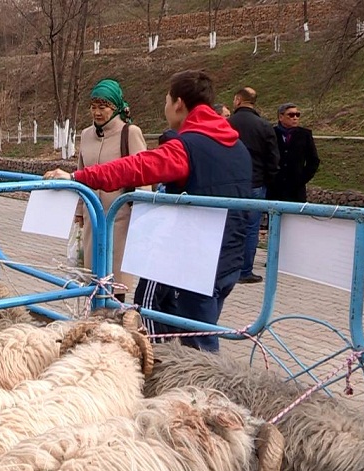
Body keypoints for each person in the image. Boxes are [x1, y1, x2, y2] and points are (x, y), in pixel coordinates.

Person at [43, 70, 251, 353]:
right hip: (228, 259)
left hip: (194, 260)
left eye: (166, 100)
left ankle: (184, 386)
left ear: (178, 103)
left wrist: (77, 178)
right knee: (197, 329)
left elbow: (137, 166)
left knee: (182, 332)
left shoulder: (187, 146)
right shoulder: (237, 146)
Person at [74, 79, 146, 303]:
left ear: (115, 108)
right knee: (93, 275)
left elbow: (143, 173)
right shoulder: (86, 135)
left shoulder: (130, 133)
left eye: (103, 107)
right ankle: (95, 316)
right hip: (92, 214)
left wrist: (142, 214)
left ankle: (114, 319)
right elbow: (81, 172)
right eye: (93, 107)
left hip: (119, 215)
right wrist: (79, 211)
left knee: (115, 276)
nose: (97, 112)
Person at [228, 87, 279, 284]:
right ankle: (245, 270)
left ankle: (226, 268)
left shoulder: (227, 124)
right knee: (251, 228)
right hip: (256, 183)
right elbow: (273, 159)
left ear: (238, 100)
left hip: (231, 183)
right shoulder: (264, 126)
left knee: (230, 226)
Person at [271, 103, 320, 203]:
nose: (295, 118)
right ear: (281, 117)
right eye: (291, 115)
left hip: (296, 190)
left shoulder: (305, 134)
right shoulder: (272, 133)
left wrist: (301, 179)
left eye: (297, 115)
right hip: (275, 188)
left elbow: (313, 160)